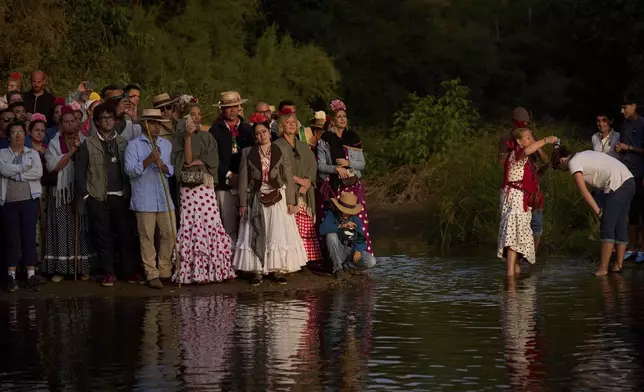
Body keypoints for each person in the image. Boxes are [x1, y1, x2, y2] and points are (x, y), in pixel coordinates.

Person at [233, 114, 307, 285]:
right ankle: (257, 270)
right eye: (258, 133)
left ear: (269, 132)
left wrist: (291, 201)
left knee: (277, 232)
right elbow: (243, 179)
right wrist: (243, 203)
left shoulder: (280, 150)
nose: (262, 135)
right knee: (256, 230)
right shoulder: (247, 152)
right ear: (255, 136)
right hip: (256, 196)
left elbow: (288, 177)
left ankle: (278, 269)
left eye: (264, 131)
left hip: (277, 195)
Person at [76, 103, 140, 287]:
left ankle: (128, 272)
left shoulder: (122, 142)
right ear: (96, 121)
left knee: (126, 235)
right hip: (98, 197)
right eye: (104, 118)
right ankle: (108, 272)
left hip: (121, 195)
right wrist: (87, 196)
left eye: (111, 117)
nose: (108, 121)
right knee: (103, 237)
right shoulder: (88, 143)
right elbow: (80, 172)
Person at [172, 107, 235, 284]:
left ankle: (215, 270)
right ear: (185, 117)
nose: (197, 117)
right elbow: (185, 161)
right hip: (188, 189)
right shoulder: (179, 137)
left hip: (204, 187)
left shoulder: (208, 137)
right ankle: (193, 273)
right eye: (192, 114)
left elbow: (211, 161)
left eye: (199, 114)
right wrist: (187, 138)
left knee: (211, 223)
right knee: (191, 224)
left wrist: (196, 162)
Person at [552, 147, 635, 275]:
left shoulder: (573, 162)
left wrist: (597, 210)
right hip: (629, 180)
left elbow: (584, 191)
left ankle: (603, 269)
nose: (561, 171)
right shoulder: (582, 154)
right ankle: (618, 266)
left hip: (617, 183)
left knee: (607, 225)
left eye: (558, 168)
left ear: (562, 160)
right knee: (620, 224)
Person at [125, 109, 175, 289]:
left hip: (163, 197)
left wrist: (163, 166)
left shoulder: (166, 145)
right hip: (144, 198)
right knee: (146, 236)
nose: (156, 127)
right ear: (145, 125)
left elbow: (171, 170)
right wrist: (148, 161)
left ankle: (164, 269)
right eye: (152, 123)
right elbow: (130, 171)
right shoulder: (134, 145)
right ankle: (151, 272)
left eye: (158, 123)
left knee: (169, 233)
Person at [42, 106, 93, 282]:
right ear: (61, 124)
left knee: (81, 227)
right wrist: (71, 152)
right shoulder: (54, 143)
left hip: (80, 190)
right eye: (66, 122)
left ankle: (82, 266)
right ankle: (61, 269)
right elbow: (54, 166)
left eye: (73, 121)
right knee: (61, 228)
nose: (70, 124)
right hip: (61, 192)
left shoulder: (86, 140)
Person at [498, 127, 558, 277]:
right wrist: (546, 140)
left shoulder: (523, 156)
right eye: (527, 137)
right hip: (515, 198)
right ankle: (511, 276)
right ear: (519, 141)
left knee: (517, 236)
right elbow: (526, 151)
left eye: (531, 137)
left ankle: (514, 273)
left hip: (519, 197)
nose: (531, 140)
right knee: (513, 235)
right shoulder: (517, 152)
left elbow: (537, 157)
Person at [317, 99, 373, 254]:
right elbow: (320, 166)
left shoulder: (353, 138)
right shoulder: (325, 139)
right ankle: (335, 255)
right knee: (334, 219)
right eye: (339, 116)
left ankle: (358, 253)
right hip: (334, 186)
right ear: (333, 120)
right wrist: (336, 169)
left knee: (356, 220)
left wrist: (348, 162)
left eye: (344, 116)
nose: (342, 119)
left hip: (353, 185)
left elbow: (362, 164)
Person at [274, 109, 323, 262]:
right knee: (291, 227)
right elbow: (277, 169)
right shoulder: (277, 145)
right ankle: (294, 260)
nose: (291, 125)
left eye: (294, 123)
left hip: (305, 191)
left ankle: (309, 259)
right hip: (288, 190)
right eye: (288, 123)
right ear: (282, 126)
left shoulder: (302, 145)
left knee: (307, 226)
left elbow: (313, 165)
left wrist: (307, 181)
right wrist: (298, 181)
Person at [0, 122, 43, 291]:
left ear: (25, 135)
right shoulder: (2, 153)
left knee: (29, 237)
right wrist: (24, 168)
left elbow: (38, 172)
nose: (17, 135)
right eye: (14, 132)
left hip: (29, 200)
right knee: (11, 239)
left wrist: (17, 175)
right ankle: (11, 276)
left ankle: (30, 274)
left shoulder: (32, 153)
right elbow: (3, 169)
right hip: (8, 202)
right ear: (8, 136)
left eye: (20, 132)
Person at [499, 107, 549, 252]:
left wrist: (536, 146)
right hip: (516, 188)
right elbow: (502, 161)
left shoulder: (531, 136)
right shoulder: (507, 139)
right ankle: (516, 258)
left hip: (533, 186)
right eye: (521, 123)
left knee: (536, 225)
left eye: (526, 123)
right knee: (514, 226)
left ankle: (530, 254)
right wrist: (515, 149)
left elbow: (545, 159)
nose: (524, 126)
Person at [210, 91, 254, 243]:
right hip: (225, 183)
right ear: (222, 109)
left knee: (247, 222)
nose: (233, 110)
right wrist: (228, 174)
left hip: (246, 181)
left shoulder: (248, 129)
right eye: (229, 107)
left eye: (235, 106)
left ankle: (245, 260)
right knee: (228, 224)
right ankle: (229, 261)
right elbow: (213, 157)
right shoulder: (215, 130)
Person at [614, 93, 644, 263]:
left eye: (625, 107)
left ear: (633, 106)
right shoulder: (624, 125)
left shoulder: (642, 124)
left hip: (640, 173)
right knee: (631, 211)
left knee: (642, 211)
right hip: (627, 174)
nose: (622, 110)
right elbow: (625, 146)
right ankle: (632, 247)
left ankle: (642, 248)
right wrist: (621, 148)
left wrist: (630, 147)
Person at [319, 191, 377, 277]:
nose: (347, 213)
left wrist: (358, 250)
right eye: (345, 210)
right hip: (336, 251)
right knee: (331, 236)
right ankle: (337, 269)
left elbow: (361, 240)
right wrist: (342, 226)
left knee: (371, 261)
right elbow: (322, 230)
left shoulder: (355, 220)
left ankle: (346, 267)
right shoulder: (331, 215)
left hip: (350, 251)